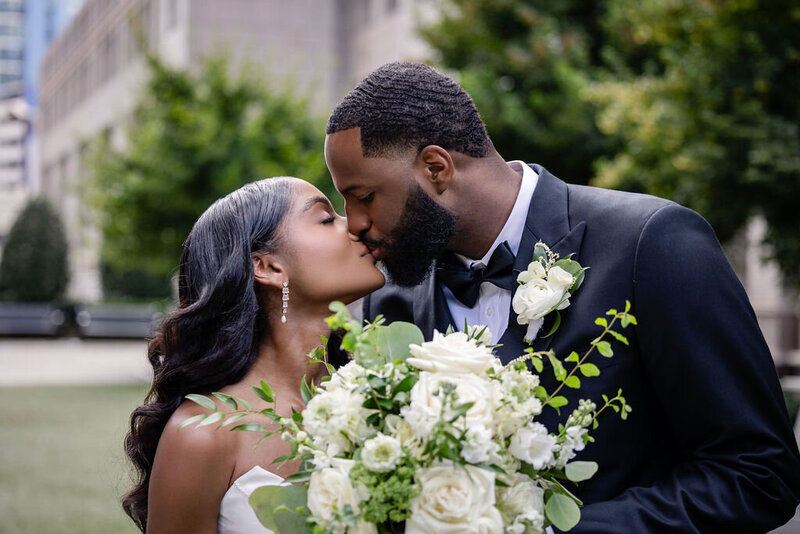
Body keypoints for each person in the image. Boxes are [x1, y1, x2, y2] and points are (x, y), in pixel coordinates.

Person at [323, 61, 800, 533]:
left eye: (363, 196)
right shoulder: (389, 306)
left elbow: (758, 475)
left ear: (436, 168)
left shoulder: (652, 243)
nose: (354, 223)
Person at [122, 177, 385, 533]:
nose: (353, 226)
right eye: (326, 218)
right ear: (268, 267)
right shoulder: (202, 434)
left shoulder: (381, 400)